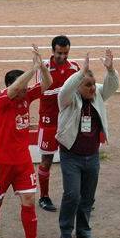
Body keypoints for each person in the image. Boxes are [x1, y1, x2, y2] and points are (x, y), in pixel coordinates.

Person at [0, 46, 52, 238]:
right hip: (2, 161)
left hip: (23, 161)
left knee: (29, 200)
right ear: (10, 86)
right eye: (22, 88)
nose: (25, 92)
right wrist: (32, 71)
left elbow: (48, 84)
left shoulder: (25, 97)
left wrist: (42, 67)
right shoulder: (1, 100)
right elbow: (15, 90)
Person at [56, 49, 119, 238]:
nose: (93, 89)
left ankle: (83, 230)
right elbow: (66, 89)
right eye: (88, 85)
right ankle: (66, 230)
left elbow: (112, 86)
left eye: (94, 84)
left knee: (88, 197)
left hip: (92, 156)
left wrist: (110, 70)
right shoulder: (68, 99)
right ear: (78, 86)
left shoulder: (98, 94)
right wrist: (79, 73)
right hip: (71, 156)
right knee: (72, 194)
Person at [36, 35, 79, 212]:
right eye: (60, 53)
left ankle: (74, 196)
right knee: (46, 160)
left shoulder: (74, 67)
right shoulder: (44, 68)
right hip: (49, 119)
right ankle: (44, 197)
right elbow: (41, 92)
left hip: (68, 119)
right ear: (53, 51)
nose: (63, 57)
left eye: (66, 53)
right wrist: (64, 91)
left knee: (74, 160)